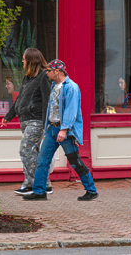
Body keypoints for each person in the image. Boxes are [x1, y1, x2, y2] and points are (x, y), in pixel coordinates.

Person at [23, 59, 99, 201]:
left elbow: (71, 111)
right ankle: (39, 191)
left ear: (57, 72)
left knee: (75, 161)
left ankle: (91, 190)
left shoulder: (71, 87)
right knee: (42, 160)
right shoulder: (53, 85)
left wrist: (64, 130)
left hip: (65, 132)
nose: (47, 73)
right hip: (52, 129)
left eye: (50, 71)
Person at [2, 48, 53, 195]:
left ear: (31, 61)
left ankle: (31, 184)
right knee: (33, 153)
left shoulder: (44, 77)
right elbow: (20, 98)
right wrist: (9, 115)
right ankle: (45, 184)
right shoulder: (28, 78)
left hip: (36, 121)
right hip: (25, 120)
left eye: (24, 59)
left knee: (25, 149)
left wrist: (46, 123)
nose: (22, 62)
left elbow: (47, 100)